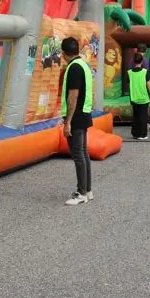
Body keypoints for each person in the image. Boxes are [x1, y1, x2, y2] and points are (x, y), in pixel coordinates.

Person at [60, 37, 93, 206]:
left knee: (78, 155)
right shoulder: (84, 64)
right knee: (83, 153)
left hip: (76, 116)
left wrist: (68, 122)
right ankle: (87, 190)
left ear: (64, 53)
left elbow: (73, 96)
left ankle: (81, 193)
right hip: (84, 113)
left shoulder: (73, 68)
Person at [128, 53, 150, 140]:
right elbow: (148, 85)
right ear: (142, 61)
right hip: (144, 97)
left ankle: (135, 133)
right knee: (143, 116)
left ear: (133, 61)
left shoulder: (129, 73)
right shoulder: (145, 72)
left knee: (135, 116)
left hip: (134, 97)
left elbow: (129, 84)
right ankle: (142, 134)